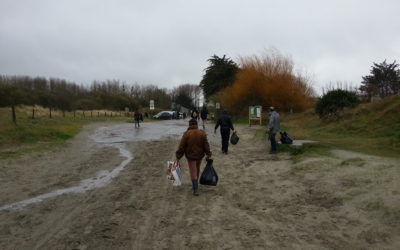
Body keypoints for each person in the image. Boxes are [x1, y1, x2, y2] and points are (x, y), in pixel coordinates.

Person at [176, 118, 212, 196]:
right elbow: (206, 145)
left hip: (190, 156)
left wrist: (178, 156)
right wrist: (208, 154)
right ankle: (195, 184)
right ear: (196, 125)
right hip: (199, 155)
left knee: (193, 170)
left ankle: (195, 188)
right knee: (197, 168)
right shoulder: (202, 133)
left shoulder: (187, 134)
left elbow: (181, 146)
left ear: (189, 125)